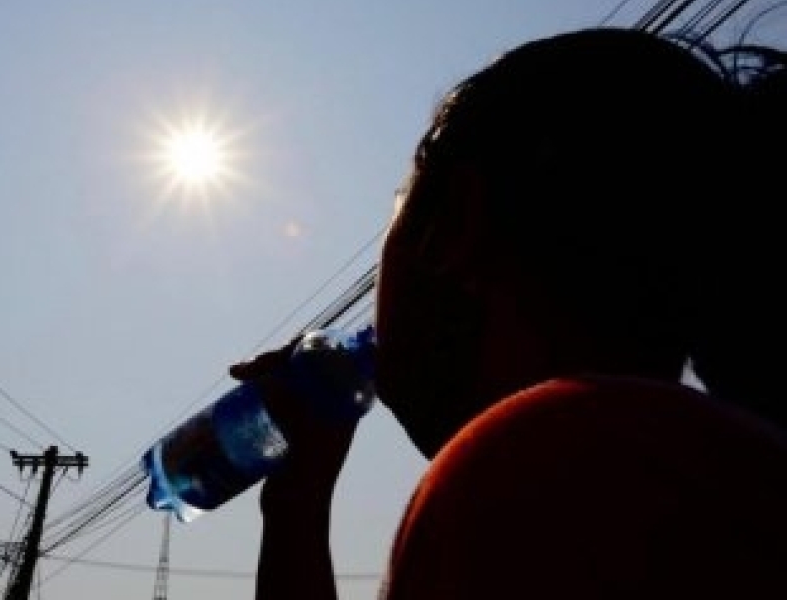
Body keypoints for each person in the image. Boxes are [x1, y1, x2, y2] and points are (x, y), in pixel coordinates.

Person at [230, 25, 787, 599]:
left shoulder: (538, 469)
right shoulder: (689, 478)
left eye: (399, 209)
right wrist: (297, 503)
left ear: (452, 227)